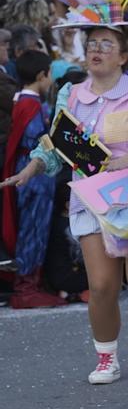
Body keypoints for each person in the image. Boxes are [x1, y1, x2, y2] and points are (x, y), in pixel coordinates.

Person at [1, 0, 128, 386]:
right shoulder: (71, 94)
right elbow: (58, 143)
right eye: (91, 44)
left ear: (124, 54)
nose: (96, 51)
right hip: (92, 198)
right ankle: (107, 358)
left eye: (105, 43)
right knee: (101, 285)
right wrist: (34, 165)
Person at [1, 50, 62, 307]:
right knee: (33, 228)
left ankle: (30, 283)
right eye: (50, 74)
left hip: (28, 169)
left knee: (32, 227)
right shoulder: (31, 103)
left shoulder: (21, 100)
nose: (51, 80)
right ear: (41, 75)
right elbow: (39, 138)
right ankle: (27, 286)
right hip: (34, 174)